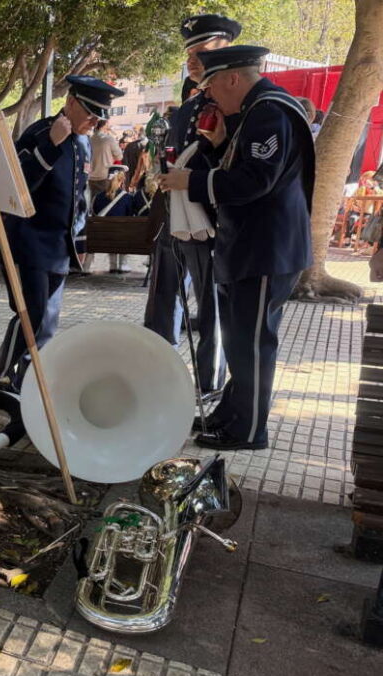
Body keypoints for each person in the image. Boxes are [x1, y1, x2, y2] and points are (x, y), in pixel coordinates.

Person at [160, 45, 315, 450]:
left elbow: (256, 180)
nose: (209, 95)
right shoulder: (251, 113)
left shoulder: (268, 112)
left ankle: (249, 430)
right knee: (239, 340)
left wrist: (191, 181)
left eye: (211, 85)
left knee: (253, 344)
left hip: (266, 248)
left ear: (232, 78)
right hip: (249, 246)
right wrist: (215, 146)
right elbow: (238, 168)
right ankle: (231, 413)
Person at [0, 76, 125, 388]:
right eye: (90, 114)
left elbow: (79, 198)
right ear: (71, 103)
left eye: (100, 118)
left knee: (47, 324)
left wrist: (80, 242)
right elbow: (16, 186)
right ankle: (0, 374)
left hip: (59, 247)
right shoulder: (40, 133)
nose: (94, 122)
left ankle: (28, 383)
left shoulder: (84, 143)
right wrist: (50, 145)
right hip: (28, 241)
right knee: (31, 315)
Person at [143, 13, 240, 404]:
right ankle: (158, 367)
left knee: (210, 303)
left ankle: (209, 381)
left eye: (201, 51)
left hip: (208, 218)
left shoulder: (231, 103)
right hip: (175, 213)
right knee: (164, 297)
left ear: (225, 49)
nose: (192, 60)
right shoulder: (190, 104)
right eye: (189, 53)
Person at [90, 164, 143, 273]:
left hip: (100, 237)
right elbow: (130, 216)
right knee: (126, 229)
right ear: (122, 180)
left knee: (112, 230)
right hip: (121, 238)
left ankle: (113, 264)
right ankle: (123, 264)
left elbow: (94, 212)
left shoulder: (97, 197)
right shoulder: (128, 198)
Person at [88, 119, 123, 200]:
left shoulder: (89, 139)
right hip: (104, 176)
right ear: (105, 125)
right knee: (104, 202)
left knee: (93, 202)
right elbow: (119, 157)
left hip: (91, 178)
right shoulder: (108, 139)